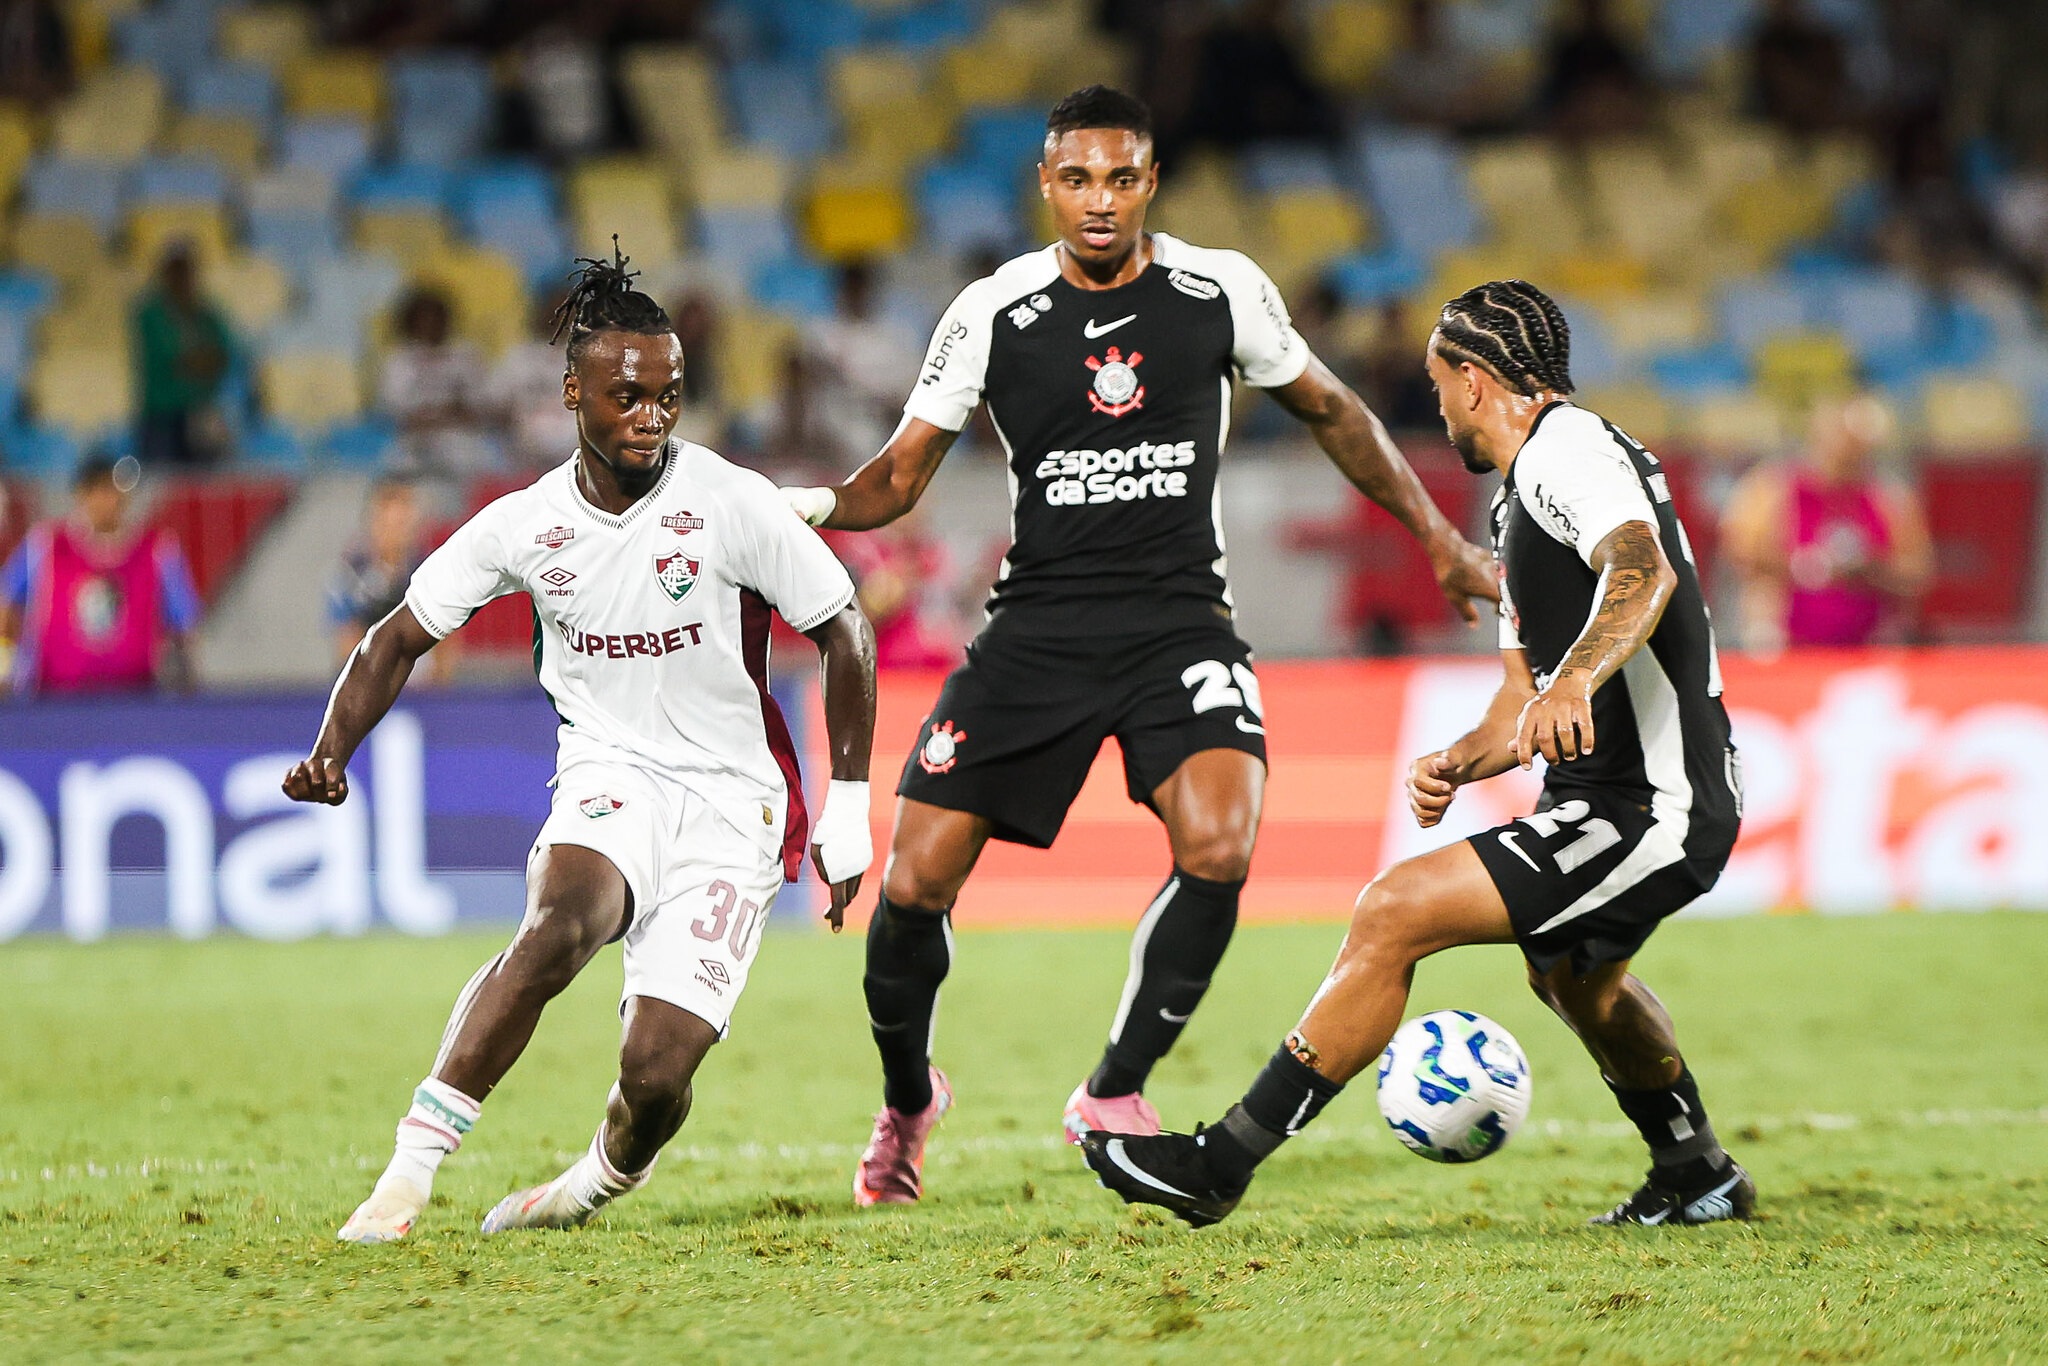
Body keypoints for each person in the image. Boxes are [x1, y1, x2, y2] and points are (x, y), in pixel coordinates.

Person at [780, 86, 1496, 1206]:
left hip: (1178, 621)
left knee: (1221, 839)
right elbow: (898, 478)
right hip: (1039, 628)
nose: (1099, 201)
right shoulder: (992, 310)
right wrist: (811, 506)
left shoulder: (1220, 291)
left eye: (1121, 178)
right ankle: (909, 1098)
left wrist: (1441, 539)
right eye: (1078, 179)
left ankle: (1111, 1091)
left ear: (1149, 181)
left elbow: (1336, 413)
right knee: (913, 884)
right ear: (1046, 185)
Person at [1080, 280, 1753, 1230]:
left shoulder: (1572, 448)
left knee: (1394, 911)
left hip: (1655, 803)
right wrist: (1466, 756)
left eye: (1439, 386)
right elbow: (1520, 696)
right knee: (1576, 984)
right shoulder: (1518, 505)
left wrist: (1577, 681)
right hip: (1607, 797)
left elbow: (1642, 567)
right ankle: (1696, 1172)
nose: (1437, 408)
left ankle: (1220, 1162)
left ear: (1474, 381)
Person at [292, 246, 879, 1244]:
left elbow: (844, 626)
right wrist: (330, 750)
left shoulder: (729, 501)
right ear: (571, 392)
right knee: (560, 924)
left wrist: (852, 809)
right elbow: (397, 637)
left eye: (669, 396)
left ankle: (602, 1176)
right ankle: (406, 1175)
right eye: (626, 396)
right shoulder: (525, 525)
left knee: (654, 1074)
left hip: (733, 804)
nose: (651, 415)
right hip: (610, 775)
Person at [1720, 393, 1932, 651]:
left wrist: (1869, 569)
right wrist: (1802, 564)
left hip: (1868, 642)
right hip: (1783, 637)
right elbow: (1739, 553)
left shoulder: (1888, 497)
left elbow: (1918, 572)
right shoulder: (1772, 489)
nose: (1844, 451)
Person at [0, 453, 200, 694]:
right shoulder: (46, 545)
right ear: (81, 494)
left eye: (112, 490)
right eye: (97, 490)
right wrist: (6, 666)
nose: (105, 500)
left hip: (137, 700)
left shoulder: (157, 550)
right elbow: (5, 608)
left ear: (125, 495)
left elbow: (185, 626)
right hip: (54, 700)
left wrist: (187, 685)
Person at [326, 475, 454, 681]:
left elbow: (448, 644)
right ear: (375, 522)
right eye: (390, 523)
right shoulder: (349, 578)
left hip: (422, 684)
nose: (397, 531)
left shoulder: (431, 573)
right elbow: (348, 648)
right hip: (369, 684)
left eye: (404, 523)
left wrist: (436, 687)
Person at [133, 241, 235, 468]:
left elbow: (223, 355)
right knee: (162, 480)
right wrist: (201, 360)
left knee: (206, 483)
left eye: (186, 270)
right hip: (161, 415)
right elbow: (177, 360)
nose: (181, 277)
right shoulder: (151, 313)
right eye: (175, 270)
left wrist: (200, 360)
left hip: (199, 413)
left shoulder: (206, 313)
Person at [378, 286, 497, 477]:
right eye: (423, 319)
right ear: (411, 322)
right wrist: (442, 414)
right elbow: (397, 413)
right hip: (414, 441)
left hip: (459, 440)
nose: (431, 324)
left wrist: (441, 416)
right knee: (395, 466)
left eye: (436, 318)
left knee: (480, 462)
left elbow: (478, 408)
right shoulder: (399, 359)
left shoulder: (466, 356)